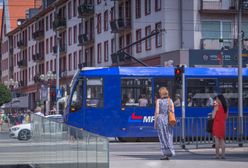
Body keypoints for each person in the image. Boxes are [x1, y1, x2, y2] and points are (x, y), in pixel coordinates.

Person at [154, 87, 175, 160]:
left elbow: (157, 112)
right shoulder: (170, 100)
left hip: (160, 120)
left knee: (162, 137)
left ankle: (165, 154)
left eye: (159, 93)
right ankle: (170, 151)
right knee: (169, 136)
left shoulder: (158, 101)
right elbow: (172, 111)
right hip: (168, 120)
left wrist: (155, 122)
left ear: (161, 93)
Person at [212, 94, 228, 159]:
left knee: (217, 141)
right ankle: (223, 155)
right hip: (222, 124)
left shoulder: (216, 106)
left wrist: (213, 112)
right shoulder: (226, 107)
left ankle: (217, 155)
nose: (216, 100)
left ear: (219, 99)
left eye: (217, 99)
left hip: (216, 124)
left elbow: (213, 116)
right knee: (222, 140)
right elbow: (226, 117)